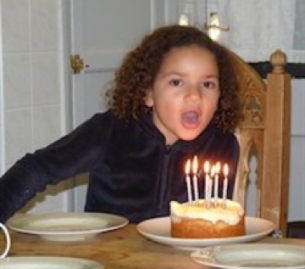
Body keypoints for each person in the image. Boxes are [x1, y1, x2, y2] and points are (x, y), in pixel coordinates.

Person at [0, 25, 241, 224]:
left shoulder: (221, 144)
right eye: (177, 82)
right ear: (148, 92)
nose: (195, 95)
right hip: (108, 264)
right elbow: (36, 169)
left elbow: (213, 223)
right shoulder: (111, 131)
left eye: (208, 84)